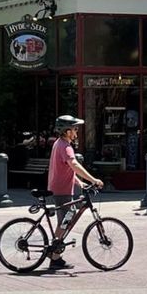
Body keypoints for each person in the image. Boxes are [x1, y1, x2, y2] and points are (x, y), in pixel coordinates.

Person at [45, 114, 102, 271]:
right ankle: (54, 252)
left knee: (64, 221)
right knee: (68, 218)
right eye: (74, 128)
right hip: (62, 190)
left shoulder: (59, 144)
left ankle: (54, 253)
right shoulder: (65, 146)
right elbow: (74, 164)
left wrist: (80, 182)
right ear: (66, 131)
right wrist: (93, 180)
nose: (77, 131)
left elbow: (67, 170)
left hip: (59, 188)